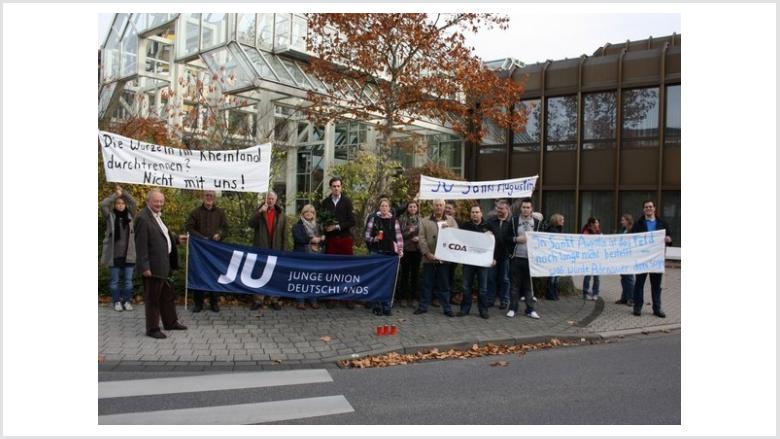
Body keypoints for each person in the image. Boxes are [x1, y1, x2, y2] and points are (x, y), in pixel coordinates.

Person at [134, 188, 187, 339]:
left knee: (167, 296)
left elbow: (163, 234)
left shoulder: (157, 216)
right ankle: (152, 329)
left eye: (161, 201)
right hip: (153, 266)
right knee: (153, 299)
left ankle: (170, 322)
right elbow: (140, 245)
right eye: (156, 201)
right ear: (148, 201)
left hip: (165, 263)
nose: (159, 204)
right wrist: (144, 266)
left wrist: (176, 238)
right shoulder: (142, 218)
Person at [185, 190, 229, 313]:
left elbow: (226, 228)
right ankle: (198, 303)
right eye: (207, 195)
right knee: (199, 275)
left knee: (214, 275)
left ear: (214, 198)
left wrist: (219, 235)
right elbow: (189, 227)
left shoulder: (220, 213)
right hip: (199, 251)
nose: (209, 198)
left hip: (215, 251)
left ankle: (214, 302)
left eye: (211, 196)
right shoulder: (195, 212)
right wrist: (200, 237)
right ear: (203, 197)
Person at [414, 199, 459, 317]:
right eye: (436, 205)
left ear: (444, 207)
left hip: (444, 258)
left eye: (441, 205)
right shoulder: (424, 221)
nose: (438, 207)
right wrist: (427, 253)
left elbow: (457, 236)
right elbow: (421, 238)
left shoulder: (451, 220)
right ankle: (423, 306)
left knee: (444, 284)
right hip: (428, 258)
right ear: (433, 207)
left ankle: (447, 308)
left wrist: (449, 229)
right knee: (426, 283)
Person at [631, 200, 673, 318]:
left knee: (656, 285)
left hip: (656, 259)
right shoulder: (638, 223)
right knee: (639, 284)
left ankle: (657, 308)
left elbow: (669, 237)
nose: (648, 209)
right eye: (646, 207)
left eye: (650, 206)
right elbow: (632, 239)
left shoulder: (662, 223)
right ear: (643, 209)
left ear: (654, 208)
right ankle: (638, 307)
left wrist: (668, 239)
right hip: (642, 259)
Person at [320, 177, 357, 309]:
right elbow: (321, 220)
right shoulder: (325, 203)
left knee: (348, 269)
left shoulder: (347, 201)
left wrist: (336, 227)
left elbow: (352, 221)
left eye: (338, 186)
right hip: (331, 241)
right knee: (331, 269)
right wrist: (325, 228)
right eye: (334, 186)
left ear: (341, 187)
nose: (336, 188)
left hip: (345, 239)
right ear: (330, 187)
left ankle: (348, 297)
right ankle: (332, 297)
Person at [100, 185, 137, 312]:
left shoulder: (131, 215)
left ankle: (126, 301)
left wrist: (124, 193)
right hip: (114, 255)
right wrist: (116, 194)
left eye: (122, 203)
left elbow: (133, 202)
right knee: (115, 281)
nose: (120, 205)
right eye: (118, 203)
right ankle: (116, 301)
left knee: (128, 281)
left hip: (129, 254)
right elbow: (103, 204)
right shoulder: (110, 216)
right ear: (115, 205)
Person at [364, 198, 403, 316]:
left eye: (386, 206)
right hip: (377, 252)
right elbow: (366, 236)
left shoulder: (394, 220)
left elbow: (399, 236)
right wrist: (374, 239)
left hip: (390, 254)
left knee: (388, 281)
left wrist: (400, 250)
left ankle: (387, 305)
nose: (384, 208)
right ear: (379, 208)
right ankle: (377, 305)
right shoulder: (373, 219)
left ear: (389, 208)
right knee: (377, 279)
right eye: (382, 206)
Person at [248, 191, 287, 311]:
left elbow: (284, 235)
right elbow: (251, 224)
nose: (270, 201)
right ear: (265, 199)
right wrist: (260, 212)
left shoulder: (281, 214)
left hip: (276, 249)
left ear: (276, 200)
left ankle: (274, 299)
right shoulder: (260, 211)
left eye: (272, 199)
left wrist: (284, 251)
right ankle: (258, 300)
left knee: (275, 275)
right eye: (268, 198)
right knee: (259, 274)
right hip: (261, 248)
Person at [506, 197, 543, 319]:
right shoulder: (513, 221)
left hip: (530, 259)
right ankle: (513, 308)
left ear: (532, 209)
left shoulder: (537, 223)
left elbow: (543, 238)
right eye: (524, 207)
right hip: (516, 257)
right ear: (520, 208)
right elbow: (506, 238)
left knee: (528, 286)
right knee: (514, 285)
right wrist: (516, 239)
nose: (526, 209)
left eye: (528, 207)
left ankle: (530, 309)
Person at [458, 205, 497, 319]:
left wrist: (493, 258)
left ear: (481, 213)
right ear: (470, 214)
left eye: (477, 212)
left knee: (483, 289)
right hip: (468, 261)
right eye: (473, 212)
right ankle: (465, 309)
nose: (474, 214)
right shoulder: (465, 226)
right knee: (466, 287)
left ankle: (483, 310)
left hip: (483, 262)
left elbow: (495, 243)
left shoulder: (488, 226)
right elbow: (459, 240)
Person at [292, 204, 323, 310]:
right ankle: (300, 301)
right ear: (303, 213)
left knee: (313, 278)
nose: (309, 214)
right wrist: (311, 240)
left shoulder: (318, 226)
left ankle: (313, 300)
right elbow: (298, 239)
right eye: (307, 212)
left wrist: (322, 239)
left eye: (311, 212)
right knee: (302, 278)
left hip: (315, 255)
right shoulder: (297, 226)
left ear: (314, 214)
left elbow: (323, 240)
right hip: (302, 254)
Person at [487, 199, 513, 309]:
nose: (498, 210)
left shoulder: (512, 222)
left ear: (507, 209)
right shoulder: (491, 221)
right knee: (491, 279)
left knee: (505, 279)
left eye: (501, 208)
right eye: (497, 208)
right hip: (492, 255)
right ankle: (490, 300)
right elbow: (484, 232)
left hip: (505, 256)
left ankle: (504, 300)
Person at [397, 200, 422, 308]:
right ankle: (403, 297)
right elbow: (399, 234)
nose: (412, 209)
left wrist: (419, 238)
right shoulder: (402, 219)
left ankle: (414, 297)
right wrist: (410, 231)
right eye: (410, 207)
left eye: (414, 207)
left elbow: (424, 234)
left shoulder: (421, 219)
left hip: (417, 250)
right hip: (406, 249)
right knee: (405, 275)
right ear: (407, 208)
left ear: (417, 208)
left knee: (415, 275)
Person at [444, 200, 461, 306]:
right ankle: (438, 298)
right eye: (446, 208)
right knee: (441, 276)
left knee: (450, 276)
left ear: (454, 210)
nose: (447, 210)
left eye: (450, 208)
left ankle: (449, 297)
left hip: (454, 254)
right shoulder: (439, 219)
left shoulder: (459, 221)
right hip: (442, 253)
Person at [615, 213, 635, 306]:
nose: (621, 222)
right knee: (624, 278)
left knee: (629, 278)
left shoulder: (633, 231)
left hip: (629, 258)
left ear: (628, 221)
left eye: (623, 220)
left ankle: (631, 298)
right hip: (622, 258)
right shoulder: (623, 231)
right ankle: (624, 298)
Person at [544, 213, 565, 301]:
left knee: (555, 277)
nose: (563, 222)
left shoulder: (558, 230)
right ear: (557, 221)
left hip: (557, 256)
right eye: (562, 220)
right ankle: (550, 293)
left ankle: (553, 293)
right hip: (553, 257)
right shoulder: (553, 230)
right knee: (553, 277)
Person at [581, 217, 602, 301]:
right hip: (589, 258)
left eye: (598, 223)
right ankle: (585, 293)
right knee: (588, 276)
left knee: (597, 277)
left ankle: (595, 293)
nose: (598, 224)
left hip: (597, 258)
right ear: (592, 224)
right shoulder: (586, 232)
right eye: (596, 223)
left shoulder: (598, 232)